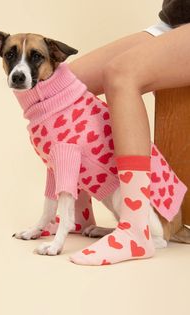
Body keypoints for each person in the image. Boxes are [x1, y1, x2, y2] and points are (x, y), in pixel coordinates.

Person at [68, 2, 190, 265]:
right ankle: (78, 214)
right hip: (174, 22)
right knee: (68, 85)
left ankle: (136, 230)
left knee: (121, 74)